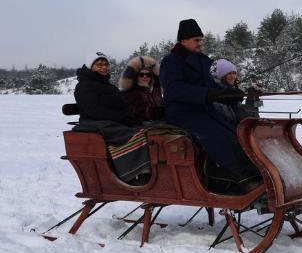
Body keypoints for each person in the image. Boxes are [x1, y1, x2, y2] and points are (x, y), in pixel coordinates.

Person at [159, 19, 261, 193]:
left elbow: (211, 86)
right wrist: (207, 94)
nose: (200, 43)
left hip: (203, 109)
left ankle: (251, 173)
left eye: (201, 40)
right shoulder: (171, 62)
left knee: (235, 132)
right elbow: (174, 90)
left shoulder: (200, 61)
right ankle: (236, 177)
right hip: (181, 112)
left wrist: (229, 94)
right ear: (183, 41)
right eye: (196, 40)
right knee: (216, 134)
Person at [74, 52, 151, 184]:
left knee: (148, 129)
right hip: (94, 123)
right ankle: (133, 174)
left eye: (105, 64)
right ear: (90, 66)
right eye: (99, 65)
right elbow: (94, 111)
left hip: (111, 120)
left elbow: (122, 105)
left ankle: (149, 168)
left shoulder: (108, 86)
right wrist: (121, 118)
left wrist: (130, 117)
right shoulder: (83, 86)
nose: (103, 67)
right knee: (134, 134)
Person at [213, 58, 260, 124]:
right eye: (228, 73)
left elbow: (254, 113)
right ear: (222, 76)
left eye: (234, 73)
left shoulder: (231, 90)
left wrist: (254, 95)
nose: (232, 76)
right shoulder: (216, 91)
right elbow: (235, 116)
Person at [120, 55, 163, 122]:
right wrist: (160, 111)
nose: (145, 77)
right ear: (135, 77)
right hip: (139, 127)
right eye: (141, 74)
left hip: (157, 124)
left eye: (148, 75)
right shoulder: (129, 93)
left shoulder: (154, 92)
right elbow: (140, 114)